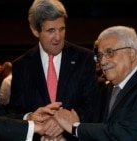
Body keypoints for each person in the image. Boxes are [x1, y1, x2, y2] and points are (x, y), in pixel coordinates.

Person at [54, 25, 137, 141]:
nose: (103, 61)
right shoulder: (104, 91)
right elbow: (101, 134)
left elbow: (131, 133)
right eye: (99, 56)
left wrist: (76, 128)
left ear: (131, 54)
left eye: (110, 52)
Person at [9, 0, 99, 140]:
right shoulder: (21, 65)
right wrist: (31, 118)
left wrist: (63, 122)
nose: (58, 37)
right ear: (34, 30)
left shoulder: (84, 59)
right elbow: (14, 112)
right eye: (51, 30)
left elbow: (92, 105)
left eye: (61, 29)